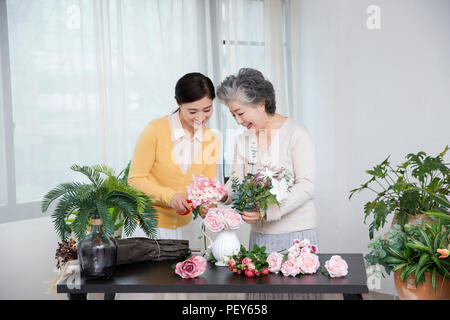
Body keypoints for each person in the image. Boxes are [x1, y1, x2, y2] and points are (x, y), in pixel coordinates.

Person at [217, 68, 321, 300]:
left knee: (295, 295)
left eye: (241, 113)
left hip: (296, 233)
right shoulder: (244, 140)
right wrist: (223, 195)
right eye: (233, 115)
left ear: (261, 103)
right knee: (262, 296)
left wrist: (266, 211)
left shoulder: (296, 133)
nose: (238, 121)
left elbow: (305, 186)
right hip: (260, 238)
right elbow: (236, 181)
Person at [117, 72, 219, 300]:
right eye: (192, 111)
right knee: (151, 293)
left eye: (207, 110)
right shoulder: (155, 130)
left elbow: (207, 185)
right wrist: (168, 195)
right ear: (177, 103)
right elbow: (135, 179)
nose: (200, 118)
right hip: (148, 227)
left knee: (184, 295)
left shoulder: (211, 138)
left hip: (184, 230)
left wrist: (207, 204)